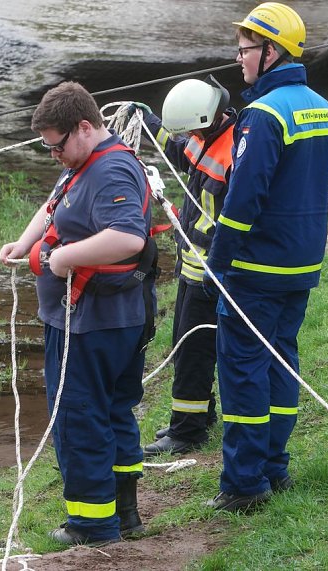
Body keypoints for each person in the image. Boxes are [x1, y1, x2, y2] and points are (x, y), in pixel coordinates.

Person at [0, 81, 157, 544]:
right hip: (106, 318)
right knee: (112, 411)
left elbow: (129, 238)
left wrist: (63, 259)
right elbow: (52, 208)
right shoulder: (81, 163)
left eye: (56, 146)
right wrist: (24, 245)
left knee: (80, 418)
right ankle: (125, 515)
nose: (54, 156)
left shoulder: (110, 172)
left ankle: (92, 526)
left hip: (94, 322)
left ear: (84, 127)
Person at [204, 2, 328, 512]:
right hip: (302, 266)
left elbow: (243, 200)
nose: (238, 59)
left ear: (271, 51)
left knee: (243, 372)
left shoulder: (262, 116)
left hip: (256, 271)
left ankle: (244, 484)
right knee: (283, 364)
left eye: (244, 50)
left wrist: (217, 263)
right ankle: (275, 468)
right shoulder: (323, 108)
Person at [131, 77, 237, 457]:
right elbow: (179, 150)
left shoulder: (230, 153)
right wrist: (148, 122)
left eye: (191, 127)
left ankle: (187, 430)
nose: (189, 134)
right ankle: (200, 415)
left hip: (210, 270)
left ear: (204, 118)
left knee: (193, 349)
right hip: (196, 265)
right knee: (188, 344)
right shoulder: (209, 134)